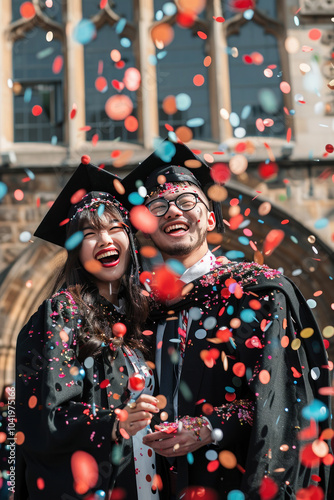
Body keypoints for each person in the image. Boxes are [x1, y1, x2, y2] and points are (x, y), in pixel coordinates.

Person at [122, 138, 332, 499]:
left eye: (186, 201)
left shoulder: (259, 293)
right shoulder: (142, 313)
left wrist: (210, 426)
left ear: (209, 217)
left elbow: (285, 398)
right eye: (157, 206)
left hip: (232, 482)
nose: (172, 211)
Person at [15, 162, 160, 500]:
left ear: (130, 238)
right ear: (77, 250)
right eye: (90, 233)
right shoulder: (62, 313)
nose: (105, 240)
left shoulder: (140, 319)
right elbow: (42, 414)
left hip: (147, 483)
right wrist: (113, 422)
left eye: (114, 227)